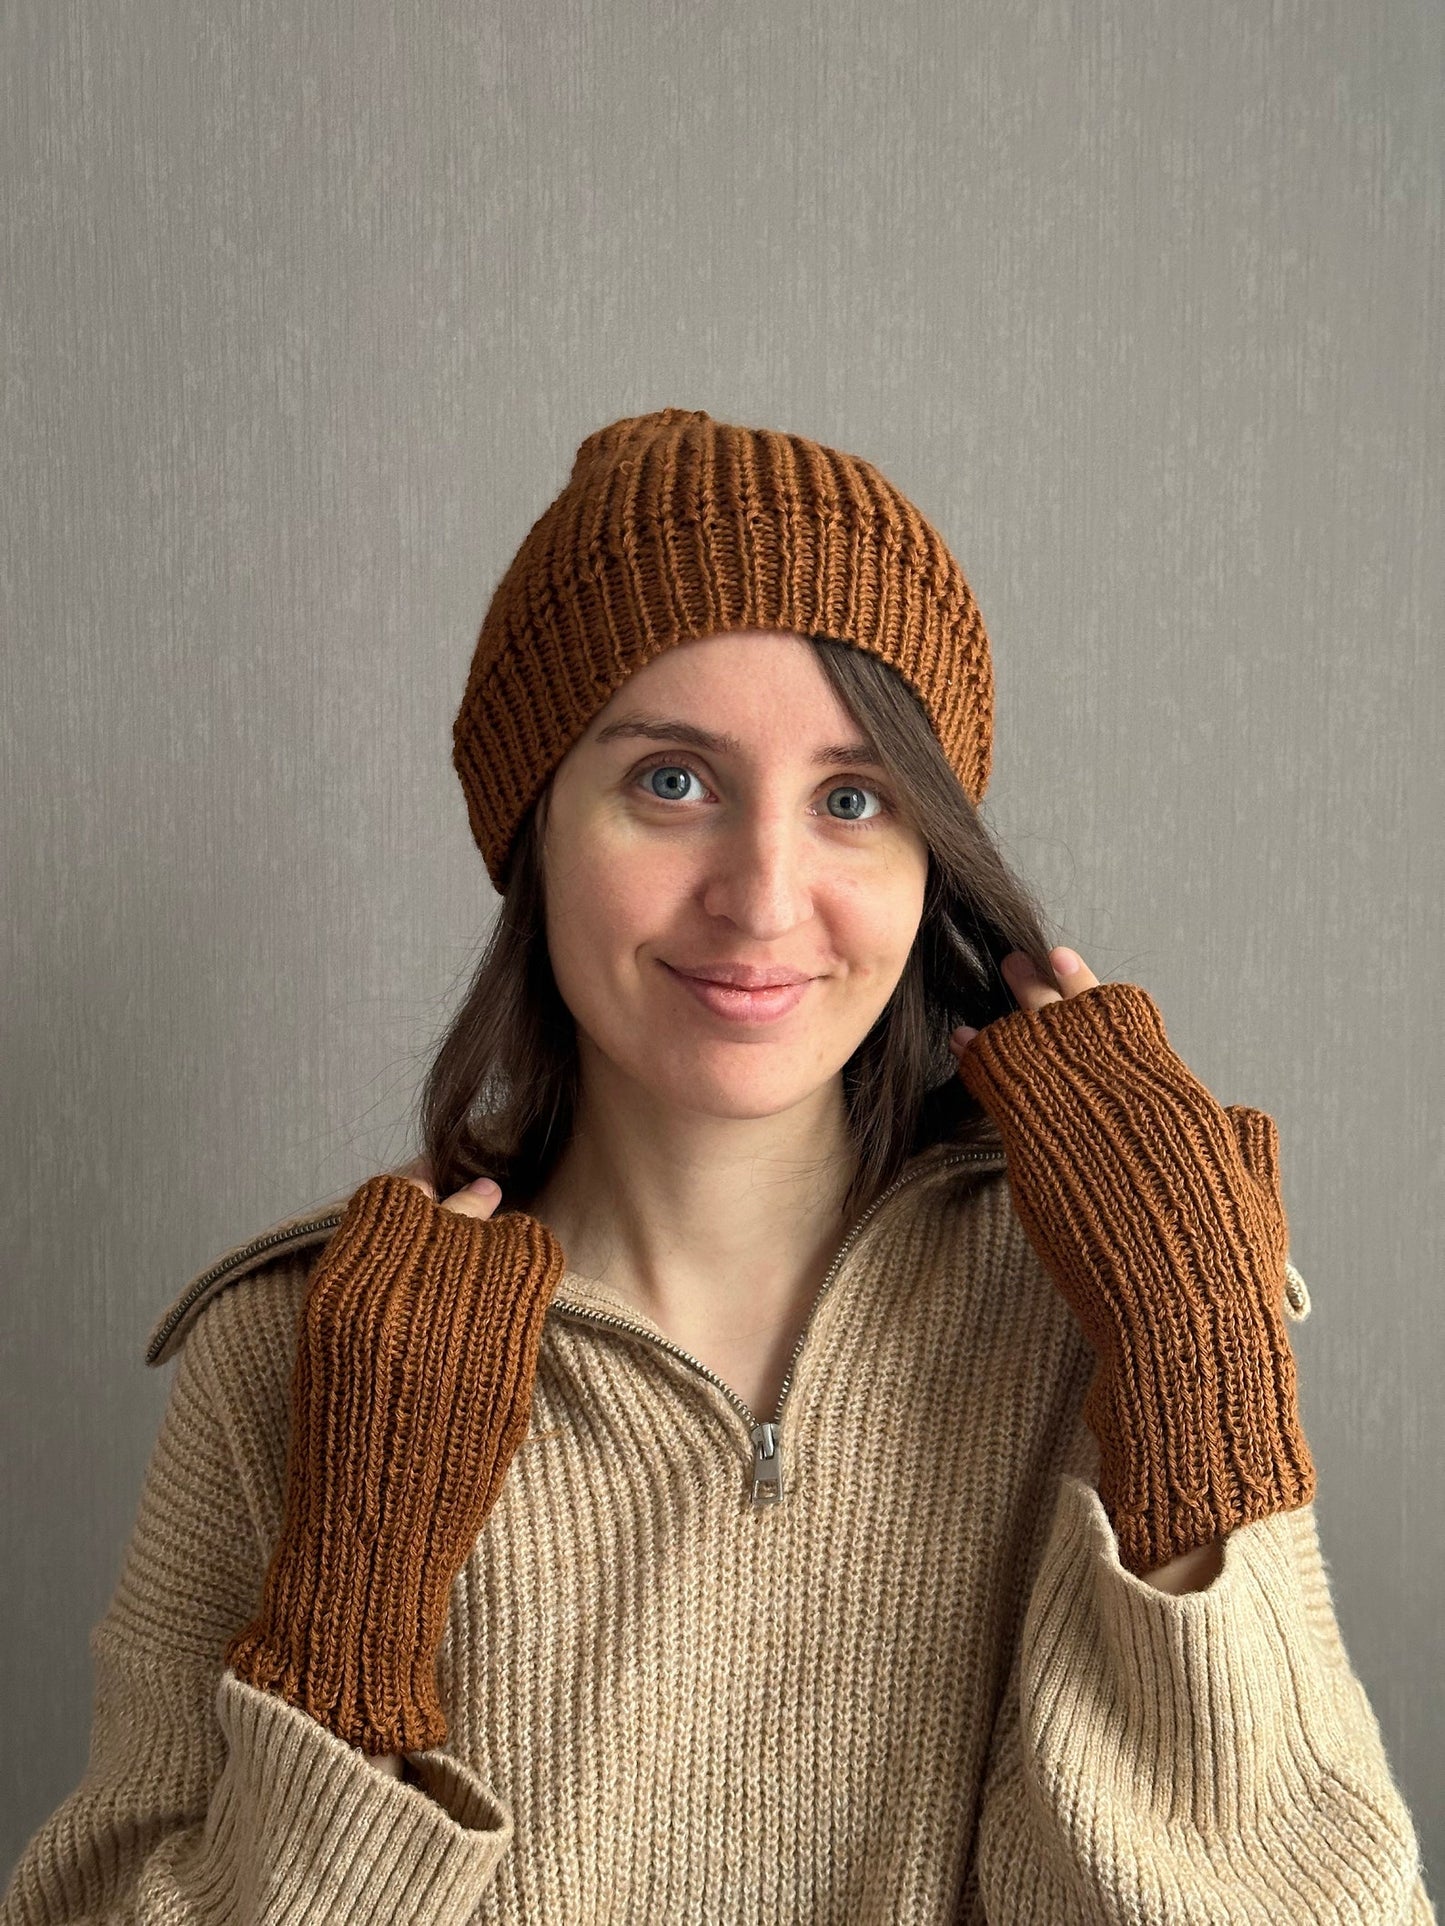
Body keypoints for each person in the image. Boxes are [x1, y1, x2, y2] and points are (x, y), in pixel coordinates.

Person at [2, 407, 1433, 1923]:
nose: (761, 897)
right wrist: (350, 1635)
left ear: (928, 849)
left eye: (851, 797)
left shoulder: (1107, 1307)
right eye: (671, 782)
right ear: (532, 825)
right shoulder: (300, 1352)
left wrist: (1194, 1354)